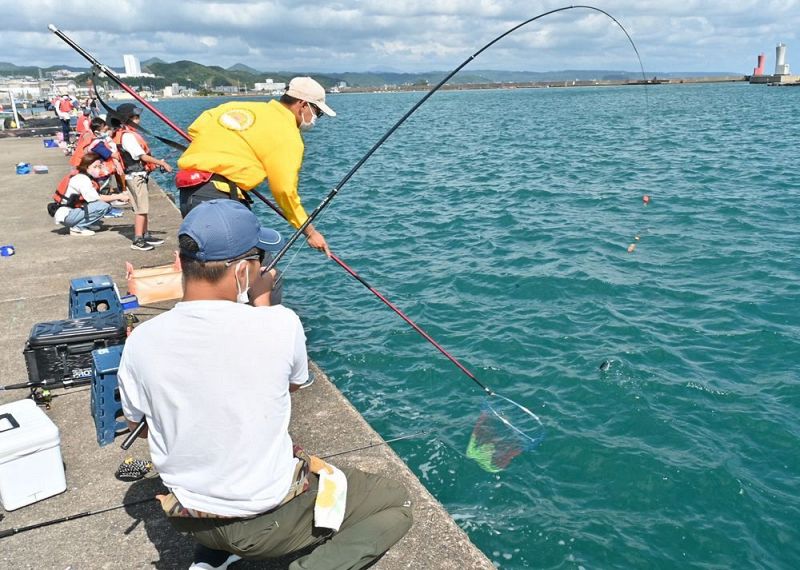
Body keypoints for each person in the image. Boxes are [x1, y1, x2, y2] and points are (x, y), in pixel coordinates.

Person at [118, 200, 412, 570]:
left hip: (188, 517)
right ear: (243, 270)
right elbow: (288, 385)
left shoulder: (141, 340)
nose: (264, 266)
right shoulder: (280, 323)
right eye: (259, 258)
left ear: (182, 263)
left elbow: (137, 428)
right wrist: (263, 302)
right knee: (394, 502)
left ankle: (211, 558)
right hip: (264, 525)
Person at [176, 76, 334, 257]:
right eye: (317, 113)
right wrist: (310, 232)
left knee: (204, 265)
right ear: (303, 105)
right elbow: (284, 190)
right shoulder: (288, 135)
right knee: (256, 268)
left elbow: (195, 128)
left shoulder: (235, 106)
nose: (316, 119)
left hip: (189, 192)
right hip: (220, 200)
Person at [111, 103, 173, 251]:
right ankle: (138, 240)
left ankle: (145, 235)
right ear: (127, 119)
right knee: (141, 209)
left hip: (136, 175)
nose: (138, 120)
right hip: (135, 176)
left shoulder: (123, 134)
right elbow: (141, 156)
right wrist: (161, 163)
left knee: (143, 208)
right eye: (135, 117)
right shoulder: (128, 137)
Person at [49, 152, 130, 236]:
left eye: (99, 166)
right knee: (104, 206)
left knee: (101, 207)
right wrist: (118, 196)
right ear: (87, 167)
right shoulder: (82, 179)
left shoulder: (82, 176)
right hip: (67, 215)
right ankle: (77, 228)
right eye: (95, 167)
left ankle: (84, 224)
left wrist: (114, 197)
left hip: (68, 213)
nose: (98, 169)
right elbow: (97, 198)